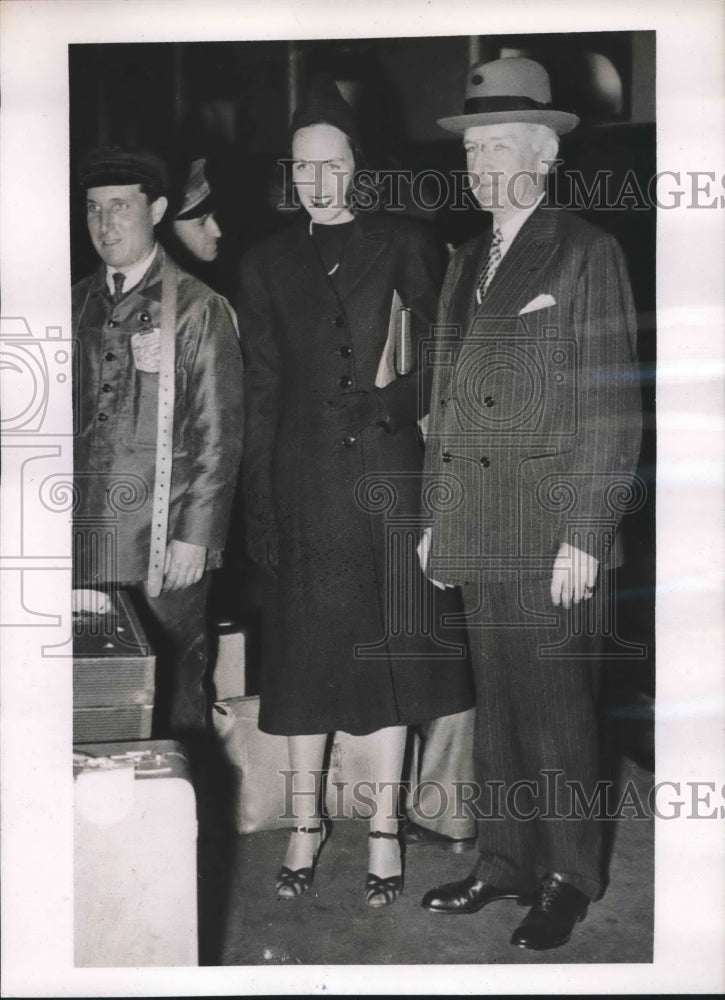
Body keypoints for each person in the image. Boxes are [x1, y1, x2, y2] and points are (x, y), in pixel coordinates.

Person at [419, 58, 642, 949]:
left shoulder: (587, 252)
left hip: (550, 528)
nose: (478, 164)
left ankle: (566, 876)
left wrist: (584, 534)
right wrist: (435, 517)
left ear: (544, 156)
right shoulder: (466, 260)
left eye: (497, 146)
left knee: (556, 709)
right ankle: (502, 862)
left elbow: (609, 402)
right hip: (476, 524)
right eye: (472, 148)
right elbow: (444, 398)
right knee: (501, 706)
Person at [238, 76, 474, 907]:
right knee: (303, 667)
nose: (316, 181)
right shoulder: (263, 264)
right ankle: (305, 824)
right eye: (302, 168)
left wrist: (391, 402)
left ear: (356, 167)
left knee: (385, 671)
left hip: (387, 485)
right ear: (290, 173)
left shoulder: (409, 245)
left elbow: (449, 365)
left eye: (330, 165)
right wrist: (259, 505)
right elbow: (261, 390)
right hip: (303, 489)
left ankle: (381, 829)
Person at [72, 146, 244, 743]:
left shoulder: (198, 308)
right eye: (94, 208)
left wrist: (196, 537)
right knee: (91, 690)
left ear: (159, 210)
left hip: (160, 541)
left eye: (120, 206)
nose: (105, 223)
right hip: (81, 536)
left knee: (171, 692)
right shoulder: (75, 305)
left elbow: (217, 435)